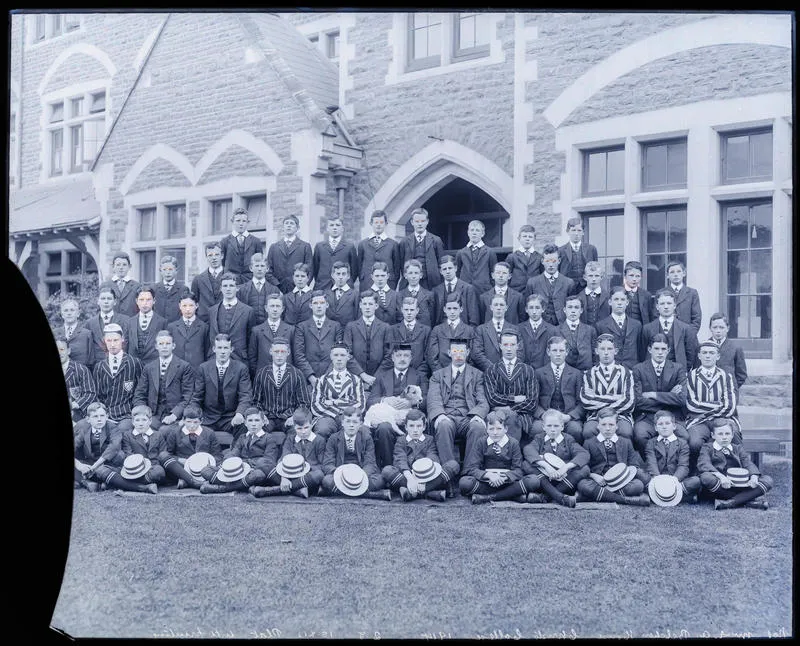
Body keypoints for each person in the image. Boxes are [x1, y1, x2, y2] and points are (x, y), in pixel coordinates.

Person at [427, 338, 489, 472]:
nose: (459, 354)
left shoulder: (478, 375)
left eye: (462, 351)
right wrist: (440, 415)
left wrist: (477, 415)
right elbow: (433, 399)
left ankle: (469, 470)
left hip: (468, 416)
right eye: (455, 351)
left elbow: (483, 400)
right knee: (443, 425)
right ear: (449, 353)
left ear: (467, 352)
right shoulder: (437, 375)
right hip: (447, 415)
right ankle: (449, 471)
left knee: (478, 427)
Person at [366, 342, 429, 469]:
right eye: (399, 355)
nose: (402, 359)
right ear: (392, 358)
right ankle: (389, 468)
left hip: (411, 417)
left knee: (416, 423)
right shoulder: (381, 376)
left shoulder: (419, 376)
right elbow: (370, 400)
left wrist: (411, 402)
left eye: (406, 356)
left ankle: (415, 467)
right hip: (387, 417)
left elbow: (428, 400)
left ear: (411, 358)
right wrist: (385, 399)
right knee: (384, 428)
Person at [459, 411, 539, 505]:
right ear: (486, 430)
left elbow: (518, 470)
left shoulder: (513, 443)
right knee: (464, 483)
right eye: (491, 429)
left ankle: (489, 497)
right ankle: (512, 495)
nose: (495, 433)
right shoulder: (481, 442)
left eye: (499, 428)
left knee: (533, 481)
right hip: (487, 483)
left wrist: (505, 477)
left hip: (508, 483)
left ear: (505, 429)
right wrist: (489, 475)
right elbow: (472, 468)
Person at [576, 407, 651, 506]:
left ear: (617, 426)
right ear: (598, 426)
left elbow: (634, 465)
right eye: (603, 424)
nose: (607, 428)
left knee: (638, 485)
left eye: (611, 425)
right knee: (582, 484)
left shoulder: (626, 442)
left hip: (621, 482)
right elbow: (584, 467)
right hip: (599, 481)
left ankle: (594, 495)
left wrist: (623, 476)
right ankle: (626, 499)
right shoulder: (589, 443)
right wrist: (594, 476)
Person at [381, 410, 458, 502]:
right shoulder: (401, 441)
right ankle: (429, 493)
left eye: (419, 426)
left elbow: (432, 458)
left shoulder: (429, 440)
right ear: (405, 427)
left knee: (453, 465)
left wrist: (423, 481)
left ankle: (413, 493)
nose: (415, 430)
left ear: (424, 427)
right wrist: (410, 479)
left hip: (428, 477)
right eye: (411, 426)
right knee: (387, 470)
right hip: (408, 477)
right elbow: (400, 459)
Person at [685, 340, 741, 465]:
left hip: (723, 418)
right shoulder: (690, 376)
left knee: (735, 435)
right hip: (698, 420)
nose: (708, 356)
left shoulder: (726, 376)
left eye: (711, 353)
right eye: (704, 353)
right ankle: (699, 469)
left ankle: (733, 468)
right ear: (699, 356)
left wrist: (706, 408)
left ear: (718, 356)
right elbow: (692, 404)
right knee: (695, 442)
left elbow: (730, 406)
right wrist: (718, 404)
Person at [632, 334, 689, 455]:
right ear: (649, 349)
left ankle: (672, 465)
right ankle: (650, 464)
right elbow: (638, 401)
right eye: (656, 348)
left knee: (683, 435)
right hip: (647, 417)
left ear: (668, 350)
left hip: (672, 416)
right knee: (640, 435)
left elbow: (681, 399)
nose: (660, 352)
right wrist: (670, 396)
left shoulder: (678, 369)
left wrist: (654, 394)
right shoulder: (639, 369)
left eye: (663, 349)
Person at [196, 408, 276, 494]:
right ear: (245, 423)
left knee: (258, 475)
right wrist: (229, 462)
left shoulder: (268, 438)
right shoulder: (242, 437)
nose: (253, 424)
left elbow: (269, 460)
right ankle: (241, 485)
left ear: (263, 422)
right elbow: (234, 452)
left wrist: (249, 467)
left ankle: (223, 488)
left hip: (254, 470)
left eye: (257, 420)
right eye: (250, 420)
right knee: (205, 470)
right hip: (238, 468)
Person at [697, 419, 772, 511]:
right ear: (713, 435)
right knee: (706, 477)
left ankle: (729, 503)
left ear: (732, 435)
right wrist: (721, 477)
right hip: (720, 487)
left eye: (727, 434)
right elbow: (704, 464)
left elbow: (747, 463)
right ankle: (748, 501)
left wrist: (753, 476)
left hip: (738, 485)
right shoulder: (707, 448)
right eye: (720, 434)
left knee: (768, 480)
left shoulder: (737, 448)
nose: (724, 437)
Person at [522, 409, 590, 507]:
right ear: (543, 427)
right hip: (545, 479)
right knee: (526, 464)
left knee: (585, 469)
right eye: (549, 426)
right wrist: (546, 466)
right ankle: (560, 498)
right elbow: (528, 450)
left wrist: (566, 467)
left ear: (562, 426)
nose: (553, 429)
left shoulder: (568, 439)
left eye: (556, 426)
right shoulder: (539, 438)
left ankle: (546, 497)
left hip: (564, 480)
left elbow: (583, 454)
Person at [252, 407, 325, 498]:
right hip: (289, 474)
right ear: (294, 427)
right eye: (299, 428)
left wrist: (304, 470)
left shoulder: (319, 440)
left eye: (306, 428)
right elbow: (283, 458)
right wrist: (284, 477)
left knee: (319, 474)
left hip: (307, 476)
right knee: (261, 462)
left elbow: (321, 465)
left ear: (312, 424)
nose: (303, 432)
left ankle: (273, 490)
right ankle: (298, 490)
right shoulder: (290, 439)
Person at [191, 334, 253, 443]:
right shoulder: (204, 368)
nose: (223, 351)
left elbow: (245, 396)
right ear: (214, 349)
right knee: (194, 430)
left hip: (230, 416)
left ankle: (235, 456)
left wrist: (239, 413)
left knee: (244, 427)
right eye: (219, 348)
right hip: (208, 417)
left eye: (226, 348)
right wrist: (193, 416)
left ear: (231, 349)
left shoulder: (241, 368)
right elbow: (197, 397)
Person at [320, 406, 390, 500]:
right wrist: (340, 474)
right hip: (341, 475)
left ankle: (336, 492)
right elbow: (327, 464)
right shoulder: (333, 438)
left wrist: (359, 476)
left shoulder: (366, 438)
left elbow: (370, 463)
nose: (351, 425)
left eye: (355, 422)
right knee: (327, 480)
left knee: (380, 480)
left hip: (360, 474)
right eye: (348, 421)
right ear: (342, 423)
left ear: (360, 424)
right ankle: (371, 494)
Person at [132, 330, 195, 433]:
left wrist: (175, 414)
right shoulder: (149, 367)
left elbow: (188, 396)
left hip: (174, 416)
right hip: (153, 415)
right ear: (156, 346)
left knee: (165, 431)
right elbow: (139, 394)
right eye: (161, 344)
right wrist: (143, 414)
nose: (164, 347)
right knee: (143, 429)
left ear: (173, 346)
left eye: (168, 343)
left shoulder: (184, 367)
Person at [252, 337, 311, 445]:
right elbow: (256, 401)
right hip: (268, 417)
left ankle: (289, 458)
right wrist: (261, 415)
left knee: (296, 433)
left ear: (288, 353)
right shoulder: (262, 373)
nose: (279, 355)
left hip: (289, 417)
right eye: (276, 351)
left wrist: (294, 417)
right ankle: (264, 458)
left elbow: (304, 403)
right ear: (270, 352)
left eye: (283, 352)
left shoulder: (297, 374)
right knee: (257, 432)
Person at [484, 331, 538, 444]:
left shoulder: (528, 370)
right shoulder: (491, 370)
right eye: (505, 345)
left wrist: (509, 410)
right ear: (500, 346)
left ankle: (513, 455)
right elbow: (492, 398)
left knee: (513, 418)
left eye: (512, 345)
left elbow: (532, 402)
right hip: (496, 414)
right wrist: (513, 399)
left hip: (522, 415)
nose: (509, 349)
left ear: (518, 346)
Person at [580, 334, 635, 441]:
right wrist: (616, 398)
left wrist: (604, 405)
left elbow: (629, 402)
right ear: (596, 351)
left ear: (616, 351)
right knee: (588, 431)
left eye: (610, 349)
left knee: (625, 431)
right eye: (602, 349)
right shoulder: (589, 373)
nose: (606, 352)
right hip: (596, 416)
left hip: (620, 415)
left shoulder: (626, 372)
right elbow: (586, 400)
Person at [532, 336, 585, 443]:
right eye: (554, 350)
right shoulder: (539, 373)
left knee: (576, 429)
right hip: (545, 415)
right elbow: (534, 401)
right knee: (536, 429)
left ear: (567, 352)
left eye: (561, 350)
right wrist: (543, 415)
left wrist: (569, 416)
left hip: (567, 416)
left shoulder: (576, 374)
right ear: (548, 352)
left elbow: (581, 402)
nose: (558, 354)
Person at [158, 403, 223, 489]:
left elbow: (218, 455)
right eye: (188, 422)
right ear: (183, 420)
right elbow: (169, 454)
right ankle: (193, 482)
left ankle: (186, 481)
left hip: (203, 469)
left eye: (195, 422)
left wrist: (204, 461)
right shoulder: (175, 432)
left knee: (222, 464)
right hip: (182, 468)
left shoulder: (209, 433)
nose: (192, 425)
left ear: (201, 421)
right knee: (163, 456)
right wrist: (180, 460)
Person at [92, 323, 143, 432]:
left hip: (127, 415)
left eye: (116, 340)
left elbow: (140, 392)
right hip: (106, 415)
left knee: (121, 430)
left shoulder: (134, 363)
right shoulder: (99, 366)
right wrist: (101, 414)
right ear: (104, 341)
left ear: (122, 340)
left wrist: (136, 413)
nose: (112, 344)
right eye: (109, 341)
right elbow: (97, 394)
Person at [643, 410, 701, 504]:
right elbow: (651, 463)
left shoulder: (682, 443)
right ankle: (682, 497)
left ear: (674, 426)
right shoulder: (651, 443)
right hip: (657, 479)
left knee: (696, 481)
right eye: (660, 424)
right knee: (639, 474)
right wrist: (658, 479)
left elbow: (683, 465)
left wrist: (674, 480)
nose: (664, 426)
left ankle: (661, 496)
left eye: (667, 423)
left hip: (675, 481)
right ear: (656, 428)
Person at [310, 343, 366, 439]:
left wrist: (333, 402)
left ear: (348, 357)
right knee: (323, 429)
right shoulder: (322, 380)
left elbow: (360, 405)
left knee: (361, 431)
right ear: (331, 356)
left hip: (349, 417)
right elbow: (316, 406)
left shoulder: (356, 380)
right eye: (336, 355)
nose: (339, 359)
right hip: (326, 417)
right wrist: (346, 404)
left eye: (342, 355)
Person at [292, 290, 344, 385]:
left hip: (331, 377)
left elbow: (339, 353)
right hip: (307, 378)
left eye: (322, 303)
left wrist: (328, 376)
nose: (319, 306)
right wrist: (311, 377)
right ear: (310, 305)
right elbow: (299, 354)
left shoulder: (336, 326)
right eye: (315, 303)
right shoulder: (302, 326)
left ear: (327, 305)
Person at [110, 405, 165, 494]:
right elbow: (129, 454)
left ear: (150, 421)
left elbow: (162, 453)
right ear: (132, 422)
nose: (140, 423)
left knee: (159, 471)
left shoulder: (158, 435)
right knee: (118, 471)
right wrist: (138, 467)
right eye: (137, 420)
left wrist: (151, 466)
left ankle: (126, 485)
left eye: (144, 420)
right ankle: (143, 485)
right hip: (135, 469)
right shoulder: (128, 435)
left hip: (153, 468)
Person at [344, 291, 390, 391]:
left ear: (376, 306)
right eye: (364, 304)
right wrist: (362, 375)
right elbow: (347, 354)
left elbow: (389, 355)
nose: (367, 307)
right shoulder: (351, 326)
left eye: (370, 304)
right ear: (360, 305)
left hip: (378, 377)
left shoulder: (385, 327)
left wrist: (374, 378)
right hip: (355, 377)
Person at [207, 272, 257, 364]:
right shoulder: (212, 311)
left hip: (239, 359)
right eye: (225, 286)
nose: (228, 289)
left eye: (231, 285)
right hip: (215, 360)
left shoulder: (248, 311)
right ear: (221, 289)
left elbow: (251, 340)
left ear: (237, 288)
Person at [641, 289, 698, 370]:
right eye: (662, 303)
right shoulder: (647, 329)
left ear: (674, 305)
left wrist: (683, 370)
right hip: (653, 372)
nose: (666, 307)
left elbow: (690, 355)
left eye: (669, 303)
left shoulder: (685, 328)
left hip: (677, 372)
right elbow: (643, 353)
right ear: (657, 306)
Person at [73, 402, 124, 492]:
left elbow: (114, 447)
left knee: (119, 455)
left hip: (108, 464)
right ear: (88, 419)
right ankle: (88, 482)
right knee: (77, 464)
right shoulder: (84, 429)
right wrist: (80, 465)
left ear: (107, 416)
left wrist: (94, 466)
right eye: (95, 416)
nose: (99, 419)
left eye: (102, 416)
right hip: (91, 462)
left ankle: (91, 481)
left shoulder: (113, 428)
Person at [247, 292, 295, 378]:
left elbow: (294, 356)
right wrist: (259, 374)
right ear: (266, 308)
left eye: (278, 306)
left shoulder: (290, 330)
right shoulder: (257, 330)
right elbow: (252, 357)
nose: (275, 309)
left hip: (286, 376)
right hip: (263, 377)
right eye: (272, 306)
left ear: (283, 309)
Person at [525, 244, 574, 327]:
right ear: (542, 261)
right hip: (540, 325)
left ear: (559, 261)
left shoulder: (568, 283)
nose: (551, 265)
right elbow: (527, 307)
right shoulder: (532, 283)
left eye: (554, 261)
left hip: (562, 326)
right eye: (547, 261)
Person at [470, 295, 523, 372]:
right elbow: (477, 353)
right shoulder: (481, 329)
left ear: (506, 308)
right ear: (491, 307)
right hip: (488, 373)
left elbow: (520, 352)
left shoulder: (515, 329)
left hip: (510, 373)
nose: (498, 308)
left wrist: (508, 368)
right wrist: (493, 369)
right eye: (496, 305)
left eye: (501, 305)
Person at [594, 286, 643, 370]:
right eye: (616, 299)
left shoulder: (637, 325)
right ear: (610, 302)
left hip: (632, 369)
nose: (619, 303)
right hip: (610, 369)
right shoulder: (600, 325)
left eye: (622, 300)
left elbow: (640, 350)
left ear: (627, 302)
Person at [397, 207, 445, 291]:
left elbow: (441, 263)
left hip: (431, 283)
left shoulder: (436, 240)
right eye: (417, 221)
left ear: (427, 221)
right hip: (410, 282)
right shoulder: (404, 242)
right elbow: (401, 264)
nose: (420, 224)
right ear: (412, 222)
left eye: (422, 221)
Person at [426, 294, 476, 372]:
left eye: (455, 308)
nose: (452, 312)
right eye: (449, 309)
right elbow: (432, 357)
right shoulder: (437, 330)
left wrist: (463, 371)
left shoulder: (469, 330)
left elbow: (472, 356)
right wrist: (441, 373)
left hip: (463, 372)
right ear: (444, 309)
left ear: (461, 309)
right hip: (441, 372)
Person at [85, 283, 131, 367]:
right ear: (98, 301)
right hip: (98, 367)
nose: (106, 302)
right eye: (103, 299)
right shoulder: (90, 323)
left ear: (115, 302)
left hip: (121, 364)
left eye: (109, 299)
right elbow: (89, 349)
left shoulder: (126, 320)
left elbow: (128, 344)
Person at [266, 214, 313, 294]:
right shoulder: (274, 247)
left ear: (297, 228)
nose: (289, 225)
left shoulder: (305, 246)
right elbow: (268, 270)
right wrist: (276, 286)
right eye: (286, 223)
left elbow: (310, 270)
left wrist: (301, 287)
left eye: (292, 223)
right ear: (283, 227)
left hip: (298, 289)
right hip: (278, 290)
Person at [386, 297, 431, 380]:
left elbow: (427, 356)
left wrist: (419, 374)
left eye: (412, 310)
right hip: (397, 375)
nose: (409, 313)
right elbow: (390, 354)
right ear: (402, 310)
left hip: (419, 374)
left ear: (417, 310)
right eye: (406, 310)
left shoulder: (426, 330)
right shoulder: (393, 330)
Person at [431, 255, 481, 327]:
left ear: (455, 268)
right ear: (441, 271)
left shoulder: (468, 289)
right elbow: (434, 318)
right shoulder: (436, 291)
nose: (447, 271)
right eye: (444, 269)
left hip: (463, 331)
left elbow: (474, 319)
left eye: (450, 268)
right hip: (442, 332)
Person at [312, 216, 359, 293]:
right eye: (331, 225)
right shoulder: (319, 246)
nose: (334, 228)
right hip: (323, 287)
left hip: (344, 288)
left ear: (342, 228)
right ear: (327, 228)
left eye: (337, 225)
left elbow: (354, 270)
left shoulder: (349, 246)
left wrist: (345, 282)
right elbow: (315, 268)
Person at [219, 206, 264, 284]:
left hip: (250, 281)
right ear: (232, 221)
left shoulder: (256, 241)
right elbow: (222, 264)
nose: (241, 223)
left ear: (247, 222)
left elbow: (259, 263)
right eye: (238, 220)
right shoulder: (225, 241)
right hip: (231, 281)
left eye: (244, 221)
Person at [357, 210, 401, 290]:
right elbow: (359, 266)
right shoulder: (363, 244)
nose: (379, 225)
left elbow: (396, 268)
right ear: (371, 223)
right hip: (367, 284)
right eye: (376, 222)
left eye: (381, 222)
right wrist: (363, 279)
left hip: (387, 285)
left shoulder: (393, 244)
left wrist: (393, 282)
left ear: (386, 224)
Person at [704, 313, 747, 391]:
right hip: (708, 392)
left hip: (728, 392)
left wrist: (732, 388)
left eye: (721, 327)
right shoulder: (704, 347)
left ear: (727, 328)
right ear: (710, 328)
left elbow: (741, 375)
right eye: (715, 327)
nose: (718, 331)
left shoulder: (736, 348)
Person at [57, 337, 96, 422]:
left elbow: (90, 393)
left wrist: (74, 404)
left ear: (69, 351)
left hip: (77, 413)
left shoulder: (81, 370)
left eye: (62, 349)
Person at [126, 286, 168, 365]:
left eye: (148, 300)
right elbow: (126, 347)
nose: (145, 303)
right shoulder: (129, 322)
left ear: (154, 301)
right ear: (136, 301)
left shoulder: (162, 322)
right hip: (134, 365)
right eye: (141, 300)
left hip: (155, 365)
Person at [167, 294, 210, 370]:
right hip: (177, 370)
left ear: (196, 305)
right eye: (184, 306)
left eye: (191, 305)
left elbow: (207, 351)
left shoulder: (204, 327)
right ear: (180, 306)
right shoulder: (172, 327)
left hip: (197, 370)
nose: (187, 309)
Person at [558, 217, 598, 296]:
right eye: (573, 230)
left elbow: (596, 270)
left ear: (583, 232)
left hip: (586, 287)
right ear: (568, 231)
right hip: (567, 289)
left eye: (579, 230)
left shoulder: (591, 249)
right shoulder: (560, 251)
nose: (576, 233)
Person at [456, 220, 497, 296]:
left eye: (477, 230)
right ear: (468, 233)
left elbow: (493, 274)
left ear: (482, 234)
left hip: (483, 291)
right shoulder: (461, 253)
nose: (474, 233)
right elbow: (457, 273)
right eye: (472, 230)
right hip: (465, 291)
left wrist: (490, 290)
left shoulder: (489, 252)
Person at [517, 294, 557, 369]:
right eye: (531, 308)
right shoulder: (519, 328)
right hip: (523, 371)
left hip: (543, 372)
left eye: (537, 308)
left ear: (543, 309)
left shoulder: (552, 330)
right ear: (526, 309)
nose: (534, 312)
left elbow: (551, 354)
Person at [558, 295, 596, 372]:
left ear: (581, 310)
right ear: (564, 310)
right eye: (570, 307)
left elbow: (595, 354)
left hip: (585, 371)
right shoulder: (556, 330)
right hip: (565, 372)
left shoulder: (590, 330)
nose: (573, 311)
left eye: (576, 307)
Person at [190, 242, 225, 323]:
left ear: (222, 256)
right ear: (206, 257)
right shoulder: (198, 279)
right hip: (204, 322)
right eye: (210, 255)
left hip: (225, 322)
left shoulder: (231, 277)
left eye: (216, 254)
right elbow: (194, 302)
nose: (214, 258)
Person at [395, 259, 436, 329]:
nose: (413, 276)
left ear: (421, 275)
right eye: (410, 273)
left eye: (416, 273)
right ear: (405, 275)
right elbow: (399, 317)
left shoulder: (429, 295)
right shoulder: (399, 295)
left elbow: (432, 318)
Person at [236, 253, 273, 327]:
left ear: (267, 269)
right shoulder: (241, 290)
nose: (259, 269)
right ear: (251, 268)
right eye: (256, 266)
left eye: (262, 266)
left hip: (266, 329)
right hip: (247, 328)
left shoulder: (274, 290)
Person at [53, 297, 92, 365]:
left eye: (72, 310)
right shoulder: (54, 333)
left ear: (78, 313)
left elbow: (91, 360)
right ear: (62, 314)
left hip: (80, 373)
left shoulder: (86, 334)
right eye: (66, 310)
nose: (69, 313)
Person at [665, 260, 702, 333]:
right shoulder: (661, 293)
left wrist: (690, 334)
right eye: (672, 272)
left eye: (679, 271)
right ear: (667, 275)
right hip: (667, 335)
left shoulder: (692, 293)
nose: (676, 274)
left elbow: (696, 318)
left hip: (686, 334)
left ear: (684, 273)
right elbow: (656, 316)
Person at [152, 254, 190, 324]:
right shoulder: (154, 289)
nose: (167, 272)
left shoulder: (183, 289)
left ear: (176, 270)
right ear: (160, 271)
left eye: (170, 269)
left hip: (177, 328)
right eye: (164, 269)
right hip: (158, 327)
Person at [506, 224, 543, 294]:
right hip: (516, 292)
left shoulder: (539, 257)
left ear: (534, 239)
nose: (527, 239)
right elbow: (507, 276)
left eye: (530, 237)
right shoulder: (512, 257)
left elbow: (542, 276)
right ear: (519, 238)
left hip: (534, 293)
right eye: (524, 236)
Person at [325, 261, 359, 327]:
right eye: (338, 274)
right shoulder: (326, 294)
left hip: (347, 331)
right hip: (330, 331)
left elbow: (357, 316)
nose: (340, 277)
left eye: (343, 274)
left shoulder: (355, 294)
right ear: (332, 275)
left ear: (348, 276)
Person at [576, 260, 610, 326]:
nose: (593, 279)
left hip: (603, 332)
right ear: (585, 277)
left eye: (596, 276)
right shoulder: (578, 298)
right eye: (590, 276)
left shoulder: (608, 296)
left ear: (601, 277)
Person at [110, 252, 141, 317]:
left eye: (124, 265)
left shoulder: (137, 286)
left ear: (129, 266)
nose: (121, 267)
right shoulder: (106, 286)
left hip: (130, 323)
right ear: (113, 266)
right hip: (111, 324)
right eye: (118, 265)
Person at [622, 261, 653, 327]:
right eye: (631, 275)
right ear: (625, 276)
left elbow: (650, 317)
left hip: (640, 331)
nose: (634, 279)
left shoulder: (646, 295)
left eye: (637, 276)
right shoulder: (617, 293)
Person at [283, 262, 314, 326]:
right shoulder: (286, 297)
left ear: (308, 278)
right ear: (293, 277)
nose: (300, 279)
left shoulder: (313, 296)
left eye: (303, 276)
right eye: (297, 276)